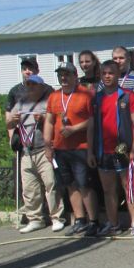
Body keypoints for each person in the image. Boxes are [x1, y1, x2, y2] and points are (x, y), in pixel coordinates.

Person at [87, 60, 134, 237]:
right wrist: (90, 151)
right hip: (103, 152)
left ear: (118, 74)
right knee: (108, 190)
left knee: (129, 188)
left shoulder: (129, 96)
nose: (107, 76)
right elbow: (91, 126)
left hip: (124, 151)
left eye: (111, 73)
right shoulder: (96, 99)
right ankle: (113, 224)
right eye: (104, 73)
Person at [44, 62, 98, 236]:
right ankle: (80, 219)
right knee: (70, 185)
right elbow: (49, 121)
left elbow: (93, 121)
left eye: (67, 74)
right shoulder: (54, 96)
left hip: (81, 147)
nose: (63, 78)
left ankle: (93, 221)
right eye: (60, 75)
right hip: (61, 148)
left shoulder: (85, 94)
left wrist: (75, 129)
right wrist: (47, 145)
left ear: (75, 76)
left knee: (84, 185)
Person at [7, 75, 64, 233]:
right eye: (28, 84)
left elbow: (57, 122)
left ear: (42, 86)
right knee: (29, 188)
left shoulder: (48, 101)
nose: (31, 87)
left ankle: (57, 218)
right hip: (26, 151)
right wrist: (13, 120)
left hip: (43, 149)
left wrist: (44, 118)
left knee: (51, 184)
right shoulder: (21, 103)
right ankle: (35, 219)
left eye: (34, 84)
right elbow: (9, 124)